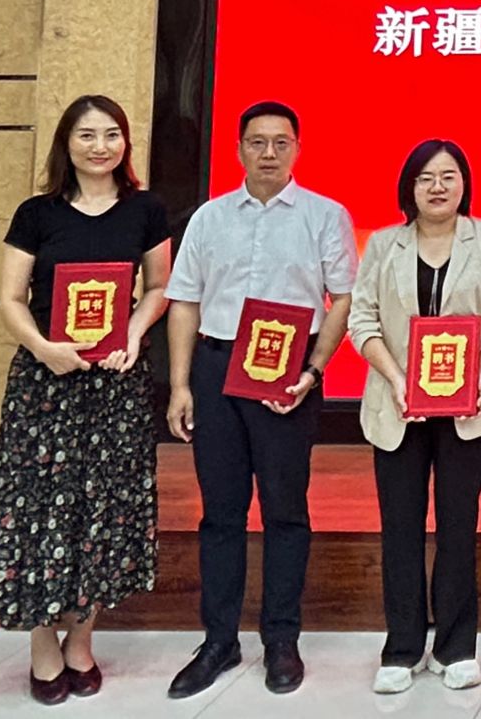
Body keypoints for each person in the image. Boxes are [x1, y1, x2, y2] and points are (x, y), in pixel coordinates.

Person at [0, 95, 171, 705]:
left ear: (125, 144)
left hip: (116, 385)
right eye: (86, 135)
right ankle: (41, 643)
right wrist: (43, 347)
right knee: (37, 512)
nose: (99, 146)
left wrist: (132, 336)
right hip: (46, 386)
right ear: (67, 143)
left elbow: (158, 287)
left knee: (104, 512)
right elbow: (11, 299)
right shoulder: (37, 213)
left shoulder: (146, 210)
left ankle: (81, 640)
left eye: (111, 134)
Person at [163, 101, 357, 700]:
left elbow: (344, 299)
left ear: (297, 148)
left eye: (280, 142)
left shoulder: (325, 216)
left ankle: (281, 639)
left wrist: (313, 369)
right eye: (257, 142)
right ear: (239, 149)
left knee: (284, 510)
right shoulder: (209, 218)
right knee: (220, 512)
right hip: (217, 368)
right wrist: (180, 384)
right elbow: (184, 301)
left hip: (287, 375)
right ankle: (219, 640)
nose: (268, 153)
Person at [349, 139, 481, 694]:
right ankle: (401, 648)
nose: (438, 187)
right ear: (410, 187)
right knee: (400, 528)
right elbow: (362, 321)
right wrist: (398, 380)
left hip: (468, 407)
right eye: (426, 178)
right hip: (397, 407)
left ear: (464, 184)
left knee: (457, 526)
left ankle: (455, 646)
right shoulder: (384, 244)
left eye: (448, 176)